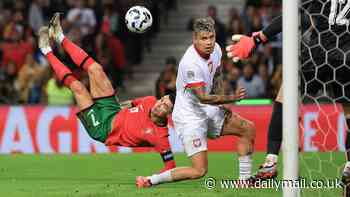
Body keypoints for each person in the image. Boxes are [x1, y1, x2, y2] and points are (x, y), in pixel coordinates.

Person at [226, 1, 350, 193]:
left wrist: (258, 38)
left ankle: (271, 161)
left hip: (318, 53)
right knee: (348, 113)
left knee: (286, 96)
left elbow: (294, 16)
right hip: (347, 57)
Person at [38, 13, 176, 173]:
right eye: (162, 100)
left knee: (78, 88)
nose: (160, 104)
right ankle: (60, 36)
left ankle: (46, 49)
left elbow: (170, 167)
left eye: (165, 106)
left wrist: (150, 181)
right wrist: (115, 103)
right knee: (95, 69)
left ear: (169, 114)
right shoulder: (150, 100)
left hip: (103, 130)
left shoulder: (160, 136)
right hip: (112, 110)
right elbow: (131, 103)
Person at [136, 17, 256, 188]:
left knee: (248, 128)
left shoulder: (216, 50)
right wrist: (231, 97)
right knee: (199, 170)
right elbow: (202, 97)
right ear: (195, 39)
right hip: (189, 117)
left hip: (207, 109)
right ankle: (150, 180)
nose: (208, 42)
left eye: (211, 37)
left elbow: (216, 74)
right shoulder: (190, 63)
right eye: (204, 38)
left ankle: (244, 181)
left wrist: (220, 97)